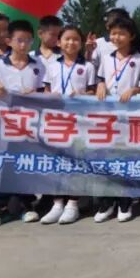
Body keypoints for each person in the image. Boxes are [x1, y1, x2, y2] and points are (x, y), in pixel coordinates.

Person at [0, 19, 47, 227]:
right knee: (4, 163)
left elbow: (46, 90)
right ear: (9, 41)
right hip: (4, 123)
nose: (23, 44)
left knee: (25, 162)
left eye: (28, 40)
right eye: (19, 40)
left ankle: (27, 204)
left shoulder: (38, 65)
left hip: (29, 123)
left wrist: (35, 92)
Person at [40, 26, 97, 225]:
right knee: (56, 162)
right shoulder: (52, 66)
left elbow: (93, 92)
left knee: (76, 161)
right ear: (59, 42)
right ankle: (57, 203)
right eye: (67, 39)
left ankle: (73, 203)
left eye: (75, 39)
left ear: (81, 44)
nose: (71, 43)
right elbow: (46, 89)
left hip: (79, 120)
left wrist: (82, 94)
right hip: (56, 120)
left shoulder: (87, 67)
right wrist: (50, 96)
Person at [93, 17, 140, 223]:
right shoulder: (107, 58)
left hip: (131, 115)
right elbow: (101, 79)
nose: (116, 37)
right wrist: (100, 85)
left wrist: (134, 90)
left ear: (131, 36)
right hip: (107, 115)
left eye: (122, 33)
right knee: (107, 157)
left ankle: (125, 200)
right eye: (113, 33)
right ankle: (107, 201)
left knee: (126, 157)